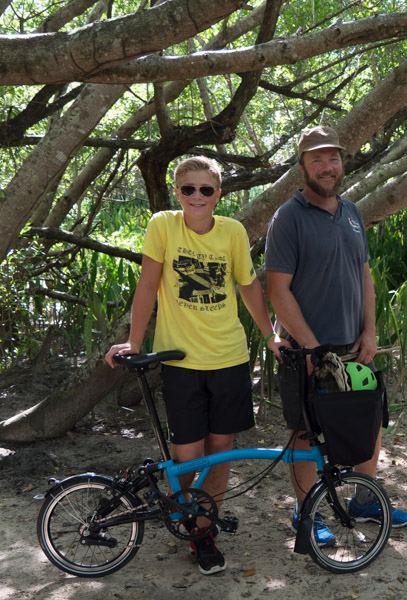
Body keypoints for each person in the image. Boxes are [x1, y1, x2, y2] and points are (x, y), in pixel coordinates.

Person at [105, 156, 282, 575]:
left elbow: (248, 287)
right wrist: (134, 341)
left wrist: (270, 335)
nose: (197, 197)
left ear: (218, 195)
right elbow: (147, 284)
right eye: (189, 189)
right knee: (187, 456)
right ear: (177, 193)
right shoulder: (163, 226)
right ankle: (188, 519)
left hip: (229, 358)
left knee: (219, 454)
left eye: (206, 190)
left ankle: (204, 533)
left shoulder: (233, 232)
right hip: (180, 361)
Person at [264, 125, 407, 547]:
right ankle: (305, 512)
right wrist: (311, 347)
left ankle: (366, 500)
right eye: (317, 159)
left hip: (351, 347)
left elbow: (364, 275)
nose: (327, 167)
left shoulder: (351, 212)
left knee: (367, 421)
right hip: (304, 352)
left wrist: (370, 330)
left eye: (333, 158)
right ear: (302, 167)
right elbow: (277, 290)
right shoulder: (288, 217)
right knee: (305, 431)